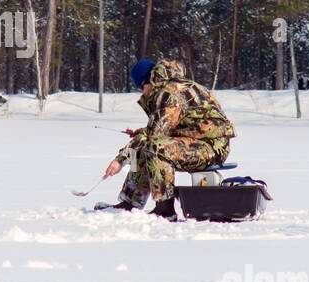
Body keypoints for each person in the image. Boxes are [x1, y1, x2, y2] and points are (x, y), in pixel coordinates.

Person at [100, 58, 236, 220]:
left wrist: (120, 159)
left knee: (155, 148)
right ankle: (130, 202)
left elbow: (154, 134)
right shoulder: (176, 86)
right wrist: (142, 134)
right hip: (199, 143)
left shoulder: (170, 93)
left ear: (149, 80)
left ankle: (165, 208)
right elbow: (169, 127)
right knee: (144, 148)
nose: (143, 93)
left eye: (142, 87)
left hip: (210, 148)